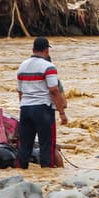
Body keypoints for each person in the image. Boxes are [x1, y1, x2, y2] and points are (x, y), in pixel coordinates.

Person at [16, 37, 68, 169]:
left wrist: (24, 105)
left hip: (25, 108)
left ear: (33, 49)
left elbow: (20, 91)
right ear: (46, 50)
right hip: (43, 109)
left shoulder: (22, 66)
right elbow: (54, 90)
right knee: (47, 145)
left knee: (25, 145)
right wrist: (62, 113)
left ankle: (20, 172)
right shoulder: (48, 66)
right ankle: (47, 175)